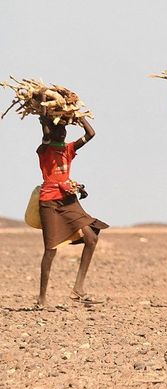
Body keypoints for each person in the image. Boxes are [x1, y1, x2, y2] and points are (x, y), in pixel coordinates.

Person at [36, 107, 108, 307]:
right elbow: (46, 131)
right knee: (50, 250)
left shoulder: (69, 149)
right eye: (59, 129)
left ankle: (78, 289)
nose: (63, 132)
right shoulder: (45, 149)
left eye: (65, 129)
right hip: (50, 202)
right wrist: (44, 113)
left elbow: (90, 134)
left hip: (68, 200)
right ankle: (42, 299)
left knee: (91, 237)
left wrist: (78, 114)